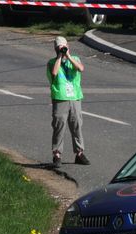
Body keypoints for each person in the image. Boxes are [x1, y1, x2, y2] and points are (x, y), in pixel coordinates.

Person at [47, 36, 89, 168]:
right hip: (60, 98)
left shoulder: (75, 59)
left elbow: (81, 69)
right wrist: (60, 56)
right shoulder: (52, 62)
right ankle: (57, 154)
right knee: (59, 127)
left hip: (75, 97)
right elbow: (54, 73)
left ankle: (79, 153)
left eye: (65, 46)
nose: (63, 49)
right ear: (55, 49)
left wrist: (68, 56)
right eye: (60, 47)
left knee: (77, 126)